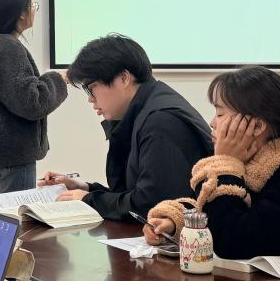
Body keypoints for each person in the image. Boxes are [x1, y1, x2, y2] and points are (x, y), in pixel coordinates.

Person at [141, 66, 280, 262]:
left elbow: (232, 240)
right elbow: (219, 212)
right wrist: (177, 222)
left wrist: (226, 164)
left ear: (256, 127)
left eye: (220, 113)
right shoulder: (258, 162)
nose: (212, 123)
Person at [41, 35, 212, 221]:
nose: (90, 99)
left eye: (91, 88)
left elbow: (150, 206)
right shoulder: (147, 108)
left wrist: (89, 200)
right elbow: (134, 193)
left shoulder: (161, 122)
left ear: (123, 78)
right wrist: (86, 189)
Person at [0, 0, 68, 192]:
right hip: (14, 158)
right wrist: (59, 79)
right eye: (32, 6)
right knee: (20, 211)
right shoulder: (8, 49)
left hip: (0, 156)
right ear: (21, 13)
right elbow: (32, 102)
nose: (34, 11)